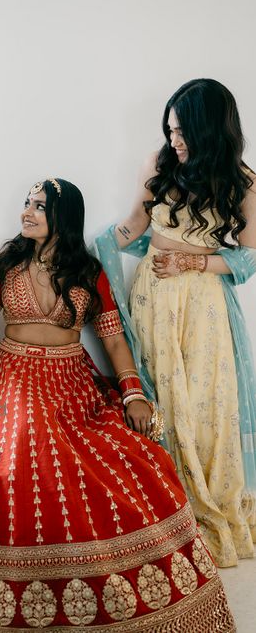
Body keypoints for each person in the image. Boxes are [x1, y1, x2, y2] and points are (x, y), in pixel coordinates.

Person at [0, 178, 235, 631]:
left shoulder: (88, 271)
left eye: (38, 206)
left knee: (128, 459)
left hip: (69, 377)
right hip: (8, 373)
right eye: (26, 203)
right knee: (9, 440)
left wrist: (132, 392)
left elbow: (112, 339)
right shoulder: (5, 265)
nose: (26, 212)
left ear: (62, 216)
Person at [95, 78, 256, 568]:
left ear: (210, 131)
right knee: (160, 397)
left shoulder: (243, 181)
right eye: (170, 130)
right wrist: (86, 248)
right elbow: (133, 227)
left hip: (205, 308)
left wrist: (194, 262)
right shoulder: (160, 165)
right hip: (155, 299)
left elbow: (248, 260)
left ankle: (209, 504)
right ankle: (168, 508)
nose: (175, 141)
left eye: (183, 132)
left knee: (207, 403)